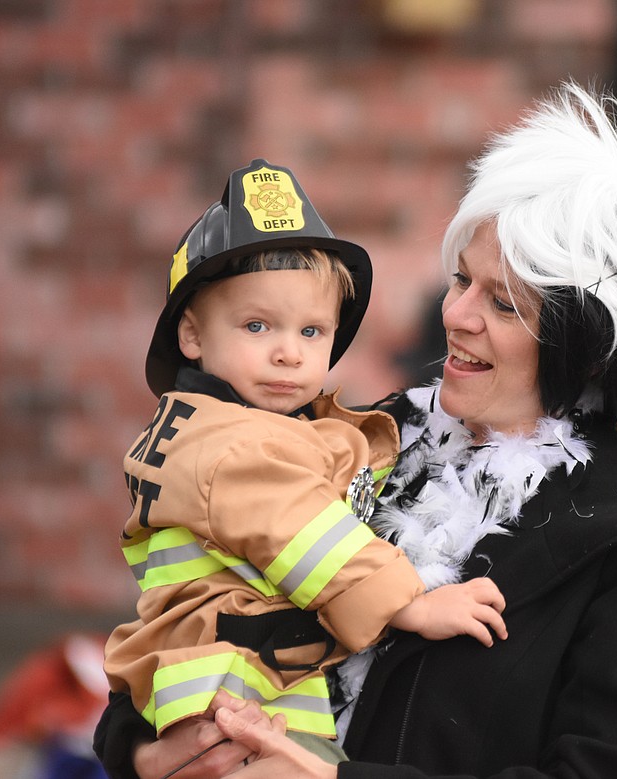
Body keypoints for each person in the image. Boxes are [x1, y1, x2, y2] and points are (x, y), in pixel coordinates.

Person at [93, 82, 617, 778]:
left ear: (585, 346)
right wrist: (144, 752)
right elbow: (178, 612)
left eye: (502, 303)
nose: (457, 316)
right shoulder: (373, 435)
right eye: (460, 279)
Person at [102, 159, 507, 766]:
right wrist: (411, 603)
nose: (289, 353)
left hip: (203, 675)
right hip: (239, 684)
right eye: (257, 325)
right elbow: (305, 529)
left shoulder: (210, 425)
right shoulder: (235, 446)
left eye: (314, 332)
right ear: (192, 336)